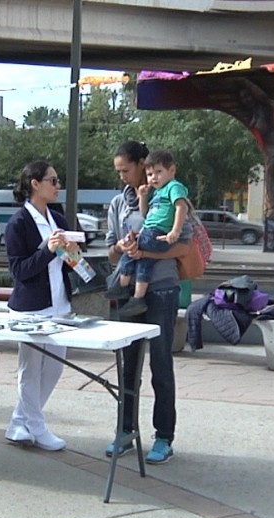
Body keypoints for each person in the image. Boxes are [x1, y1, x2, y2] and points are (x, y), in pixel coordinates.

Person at [106, 141, 189, 464]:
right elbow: (111, 249)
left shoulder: (171, 196)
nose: (123, 177)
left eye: (127, 170)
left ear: (144, 164)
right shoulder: (119, 204)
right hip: (129, 292)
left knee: (160, 365)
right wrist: (126, 248)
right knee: (127, 367)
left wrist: (147, 253)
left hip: (162, 290)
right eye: (119, 172)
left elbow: (183, 248)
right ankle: (125, 431)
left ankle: (163, 437)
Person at [4, 161, 77, 452]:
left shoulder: (58, 218)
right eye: (53, 181)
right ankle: (36, 426)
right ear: (35, 184)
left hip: (60, 304)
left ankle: (18, 422)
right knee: (30, 369)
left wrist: (73, 254)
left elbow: (72, 267)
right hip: (30, 308)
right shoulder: (18, 223)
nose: (58, 186)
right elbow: (20, 271)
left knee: (55, 367)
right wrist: (47, 250)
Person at [113, 149, 188, 317]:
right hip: (150, 231)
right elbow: (146, 214)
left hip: (158, 236)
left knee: (131, 253)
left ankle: (121, 287)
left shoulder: (174, 187)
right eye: (150, 174)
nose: (153, 177)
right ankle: (137, 297)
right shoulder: (156, 193)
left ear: (172, 171)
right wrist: (143, 197)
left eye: (158, 172)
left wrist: (175, 231)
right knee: (143, 263)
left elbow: (181, 207)